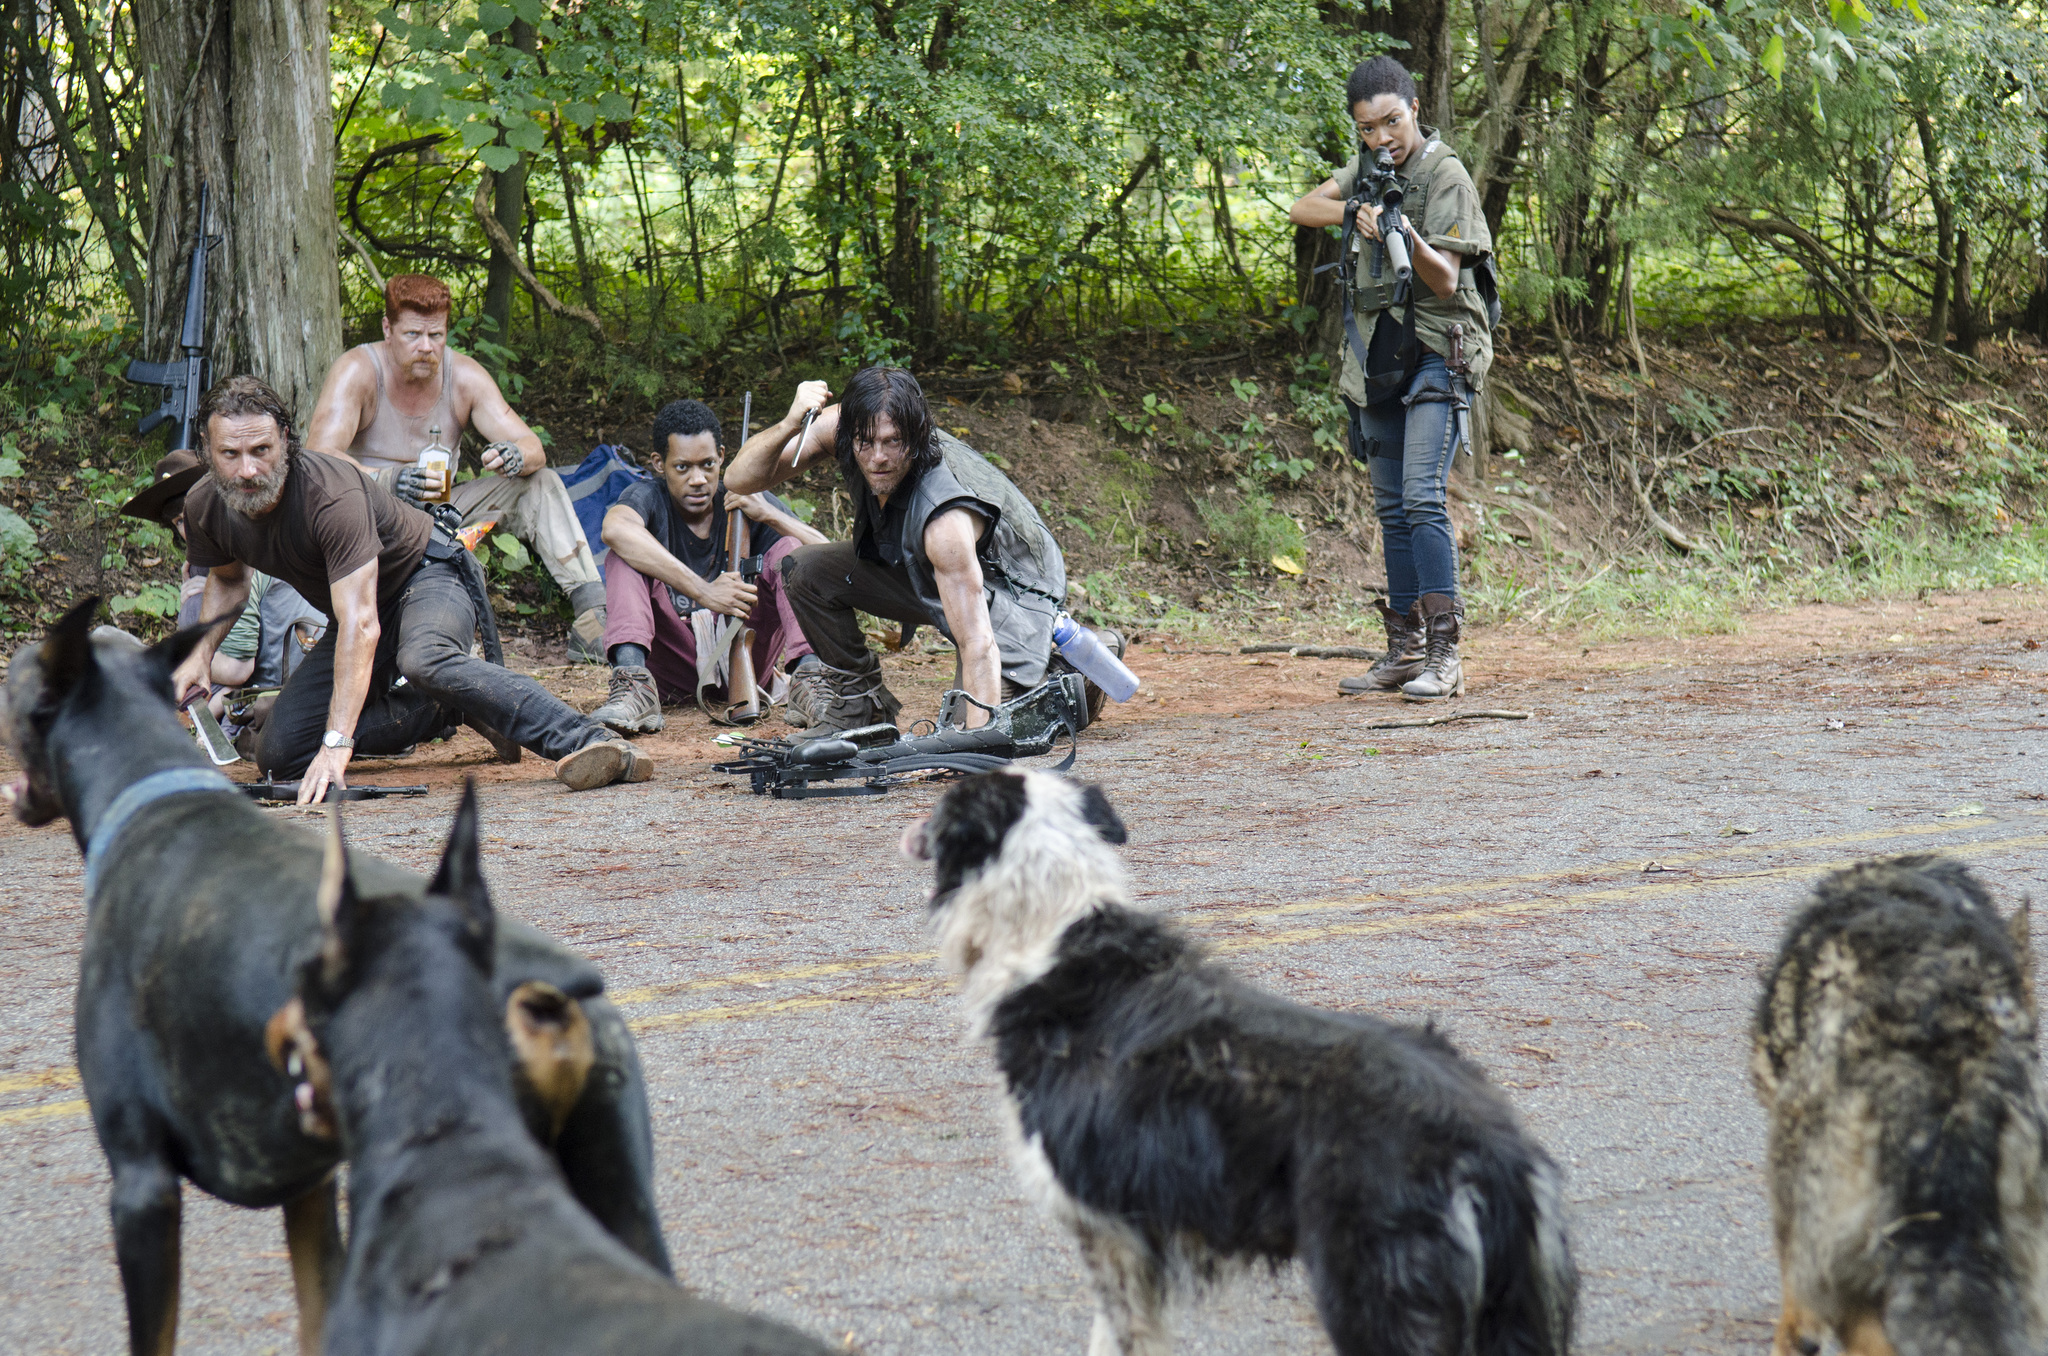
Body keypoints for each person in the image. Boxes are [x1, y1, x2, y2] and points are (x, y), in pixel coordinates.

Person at [172, 374, 651, 804]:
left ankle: (591, 741)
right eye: (230, 455)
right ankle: (450, 706)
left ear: (286, 442)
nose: (248, 471)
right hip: (366, 607)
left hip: (429, 574)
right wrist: (199, 654)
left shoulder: (329, 493)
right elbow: (229, 581)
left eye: (262, 451)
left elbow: (361, 625)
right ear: (208, 453)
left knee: (423, 658)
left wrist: (337, 746)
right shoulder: (205, 504)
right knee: (280, 751)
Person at [725, 366, 1117, 737]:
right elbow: (739, 480)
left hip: (1011, 587)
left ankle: (1074, 674)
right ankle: (861, 706)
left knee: (984, 726)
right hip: (919, 569)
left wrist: (976, 744)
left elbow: (976, 642)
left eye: (892, 442)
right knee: (803, 569)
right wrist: (791, 423)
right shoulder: (847, 426)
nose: (877, 457)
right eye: (865, 442)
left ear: (915, 435)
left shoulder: (945, 522)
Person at [1288, 54, 1496, 701]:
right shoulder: (1371, 170)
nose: (1382, 138)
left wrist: (1399, 227)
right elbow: (1302, 209)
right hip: (1380, 355)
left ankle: (1445, 652)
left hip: (1438, 346)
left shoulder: (1446, 175)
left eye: (1391, 122)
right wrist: (1358, 209)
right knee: (1389, 506)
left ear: (1414, 110)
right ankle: (1405, 649)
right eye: (1367, 129)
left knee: (1420, 496)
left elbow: (1443, 280)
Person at [303, 273, 610, 662]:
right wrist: (388, 480)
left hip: (442, 514)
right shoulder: (358, 370)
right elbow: (319, 457)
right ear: (387, 329)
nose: (426, 347)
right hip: (369, 517)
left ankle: (592, 614)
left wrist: (514, 456)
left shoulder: (463, 375)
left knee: (539, 482)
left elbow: (533, 447)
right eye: (413, 334)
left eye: (437, 335)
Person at [585, 398, 825, 734]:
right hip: (674, 666)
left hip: (751, 658)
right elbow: (614, 529)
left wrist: (771, 514)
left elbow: (829, 559)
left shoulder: (745, 498)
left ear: (723, 458)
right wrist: (707, 593)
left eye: (708, 465)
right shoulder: (648, 497)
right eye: (683, 467)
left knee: (792, 550)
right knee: (623, 557)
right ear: (658, 463)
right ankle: (633, 688)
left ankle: (811, 684)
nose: (698, 479)